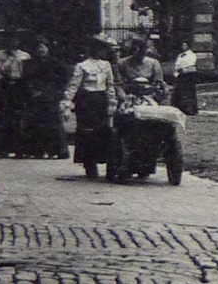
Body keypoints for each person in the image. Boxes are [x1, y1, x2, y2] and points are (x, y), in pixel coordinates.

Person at [64, 36, 123, 179]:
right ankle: (90, 165)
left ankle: (108, 164)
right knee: (86, 133)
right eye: (99, 49)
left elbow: (110, 85)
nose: (101, 52)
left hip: (100, 101)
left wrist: (111, 103)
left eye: (103, 50)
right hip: (86, 102)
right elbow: (73, 86)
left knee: (104, 132)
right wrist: (67, 104)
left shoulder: (106, 65)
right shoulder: (82, 66)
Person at [21, 36, 71, 160]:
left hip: (50, 96)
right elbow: (25, 79)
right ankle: (37, 150)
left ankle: (57, 150)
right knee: (35, 123)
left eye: (43, 47)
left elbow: (63, 80)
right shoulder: (28, 64)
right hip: (34, 96)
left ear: (48, 48)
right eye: (38, 47)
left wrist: (52, 91)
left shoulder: (55, 63)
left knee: (53, 123)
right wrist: (32, 90)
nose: (40, 50)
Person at [0, 32, 30, 157]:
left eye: (16, 40)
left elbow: (27, 72)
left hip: (19, 85)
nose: (13, 42)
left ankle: (20, 148)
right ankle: (3, 148)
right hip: (4, 85)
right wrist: (10, 59)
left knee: (19, 117)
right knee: (4, 116)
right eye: (10, 39)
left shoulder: (25, 55)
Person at [120, 38, 169, 105]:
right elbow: (119, 84)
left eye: (141, 51)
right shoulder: (123, 63)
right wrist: (124, 96)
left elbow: (158, 83)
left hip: (149, 96)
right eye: (135, 50)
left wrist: (153, 96)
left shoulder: (153, 63)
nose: (138, 54)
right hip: (128, 95)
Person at [172, 41, 201, 116]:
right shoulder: (181, 55)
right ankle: (180, 108)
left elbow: (190, 65)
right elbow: (177, 64)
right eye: (182, 45)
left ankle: (190, 109)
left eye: (184, 45)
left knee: (188, 92)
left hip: (188, 75)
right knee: (179, 92)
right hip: (180, 75)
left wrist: (183, 69)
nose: (183, 47)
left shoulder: (191, 55)